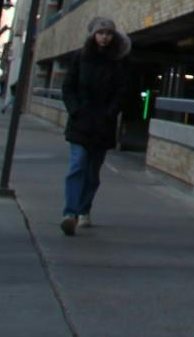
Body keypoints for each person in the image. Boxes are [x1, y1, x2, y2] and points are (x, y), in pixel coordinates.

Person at [60, 15, 129, 236]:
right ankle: (70, 213)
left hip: (103, 124)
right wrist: (75, 110)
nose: (104, 37)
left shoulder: (118, 61)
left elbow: (122, 91)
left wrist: (111, 113)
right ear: (93, 35)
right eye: (101, 33)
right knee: (78, 164)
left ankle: (84, 210)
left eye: (108, 33)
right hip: (81, 121)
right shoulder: (80, 57)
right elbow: (68, 86)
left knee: (92, 173)